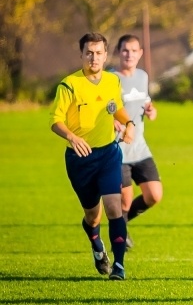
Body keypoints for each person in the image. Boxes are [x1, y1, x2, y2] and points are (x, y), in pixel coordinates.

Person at [49, 32, 135, 280]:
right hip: (80, 160)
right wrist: (72, 137)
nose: (94, 58)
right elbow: (55, 121)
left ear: (106, 55)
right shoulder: (69, 85)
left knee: (113, 207)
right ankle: (96, 243)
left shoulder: (112, 81)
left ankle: (118, 266)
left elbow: (115, 107)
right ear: (81, 55)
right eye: (89, 53)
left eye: (98, 53)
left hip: (109, 154)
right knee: (92, 215)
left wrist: (127, 123)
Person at [112, 35, 163, 249]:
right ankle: (119, 239)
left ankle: (120, 225)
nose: (129, 54)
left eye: (134, 50)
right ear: (118, 52)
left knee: (154, 195)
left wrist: (151, 110)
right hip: (118, 150)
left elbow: (145, 101)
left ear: (140, 53)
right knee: (124, 199)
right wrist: (113, 120)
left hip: (140, 148)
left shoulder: (143, 76)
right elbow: (106, 108)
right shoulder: (111, 79)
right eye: (125, 50)